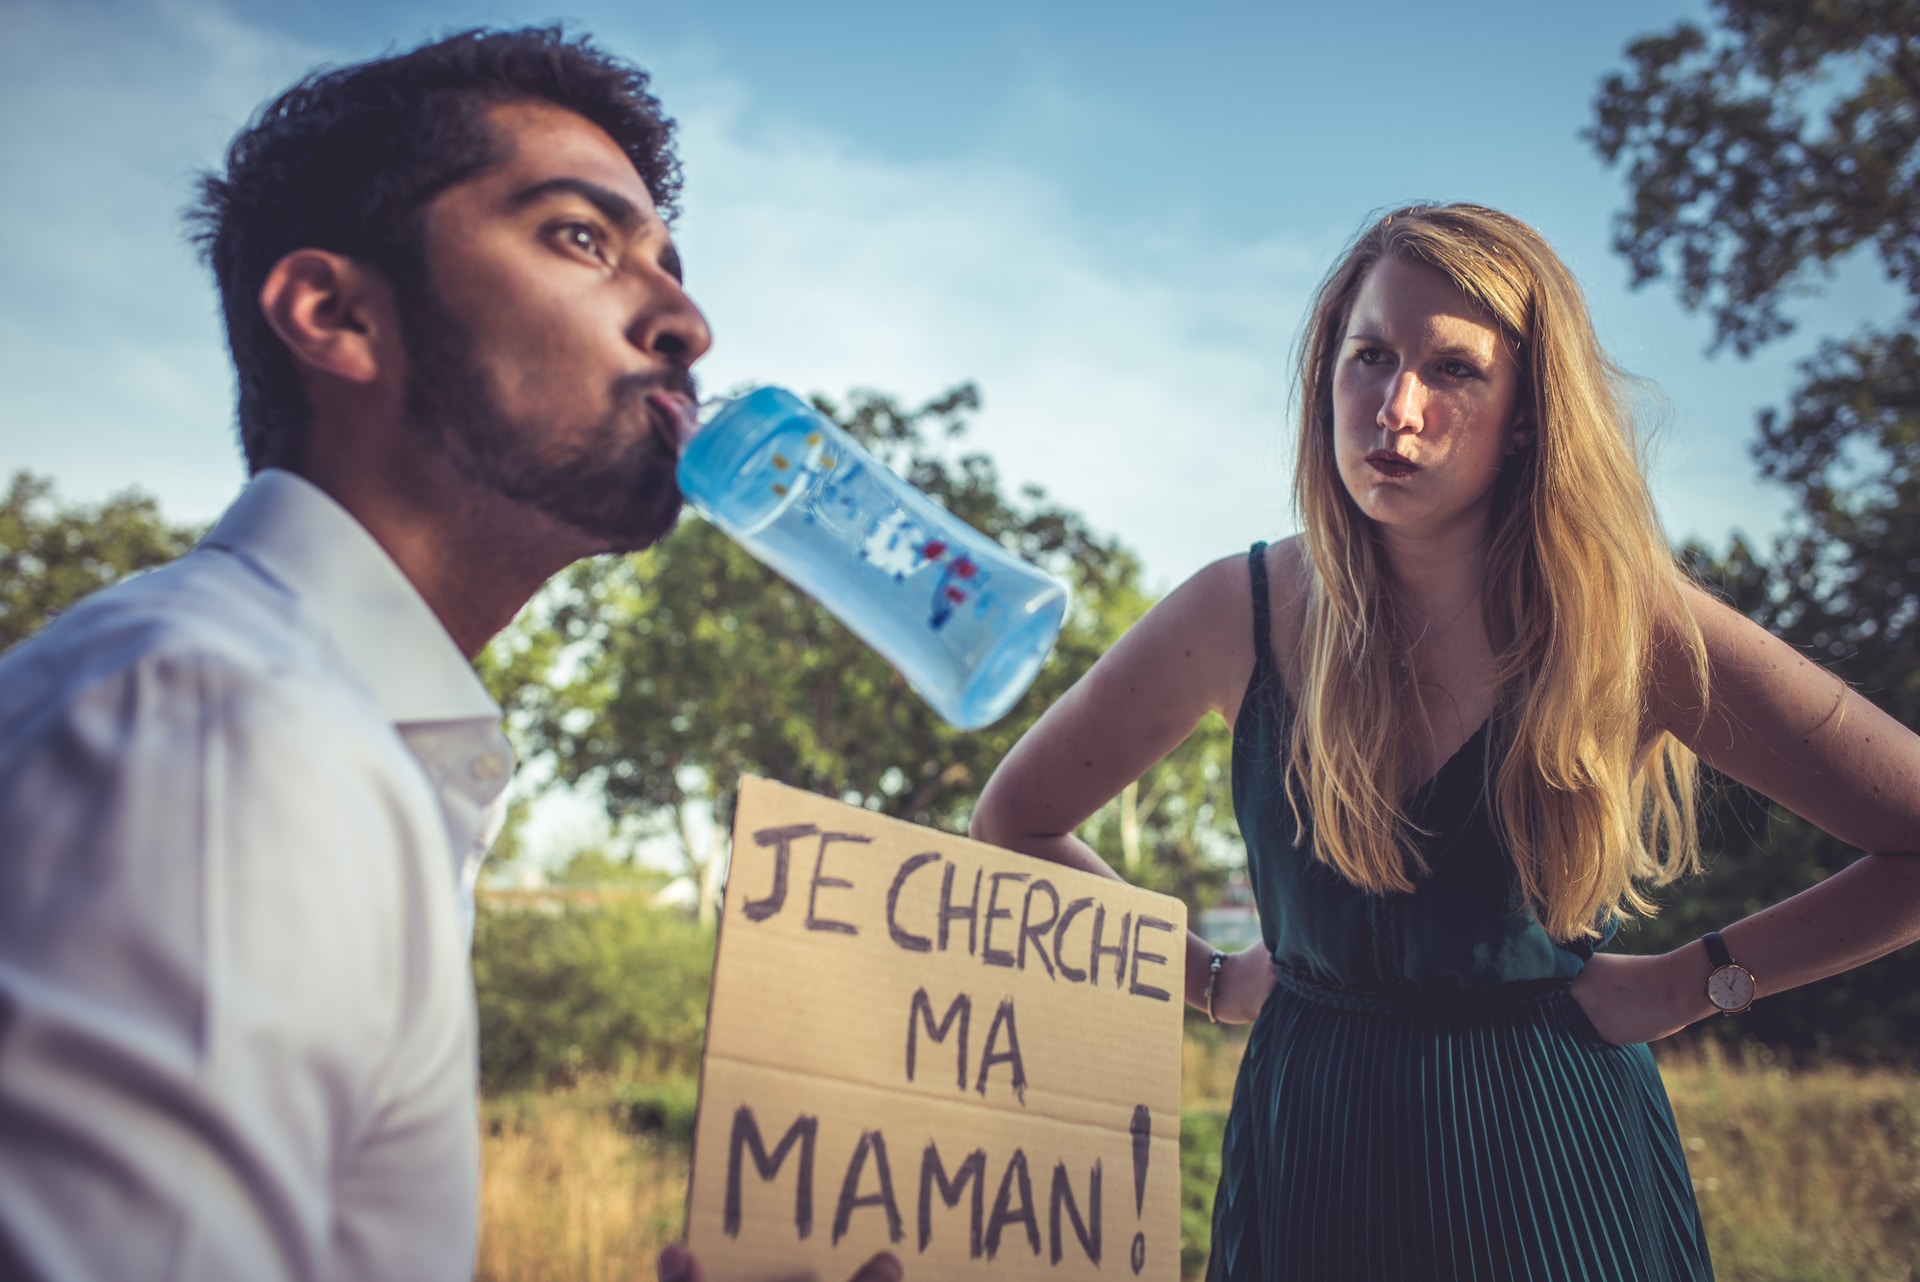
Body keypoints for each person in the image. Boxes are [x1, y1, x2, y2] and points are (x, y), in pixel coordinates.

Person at [0, 25, 892, 1282]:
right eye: (579, 238)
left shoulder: (330, 733)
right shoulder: (225, 729)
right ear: (337, 315)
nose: (687, 323)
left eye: (668, 264)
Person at [970, 203, 1920, 1280]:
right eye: (1369, 356)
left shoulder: (1629, 624)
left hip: (1552, 1164)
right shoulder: (1238, 610)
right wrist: (1209, 980)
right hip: (1309, 1156)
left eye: (1454, 370)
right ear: (1326, 377)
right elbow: (1016, 823)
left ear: (1526, 416)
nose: (1397, 408)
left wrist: (1692, 983)